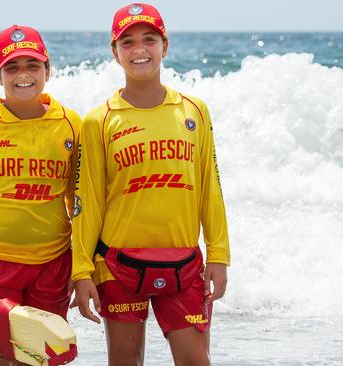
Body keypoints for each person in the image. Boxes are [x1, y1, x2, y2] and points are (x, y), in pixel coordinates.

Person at [70, 3, 230, 365]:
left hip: (185, 264)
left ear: (165, 46)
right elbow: (88, 202)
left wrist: (219, 255)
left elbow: (210, 188)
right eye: (127, 42)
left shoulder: (194, 111)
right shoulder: (99, 121)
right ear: (115, 52)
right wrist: (81, 271)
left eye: (149, 39)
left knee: (195, 360)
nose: (139, 49)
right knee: (126, 361)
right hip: (118, 265)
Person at [0, 25, 81, 366]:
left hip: (52, 266)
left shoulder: (71, 125)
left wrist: (81, 269)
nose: (23, 75)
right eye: (12, 67)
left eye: (32, 65)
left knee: (38, 362)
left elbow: (79, 204)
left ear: (48, 71)